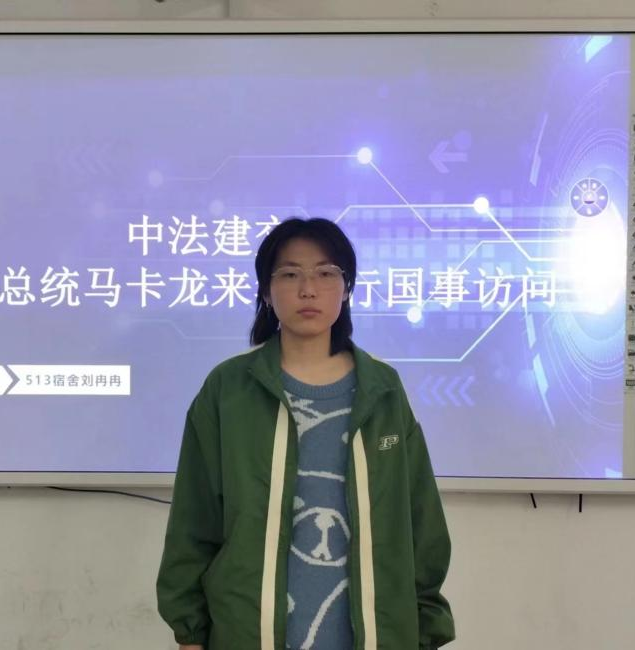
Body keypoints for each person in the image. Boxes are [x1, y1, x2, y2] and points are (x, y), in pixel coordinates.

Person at [157, 217, 455, 650]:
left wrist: (426, 629)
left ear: (347, 288)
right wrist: (189, 631)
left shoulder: (383, 389)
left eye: (326, 273)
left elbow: (421, 519)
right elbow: (194, 517)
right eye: (290, 274)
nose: (308, 289)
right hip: (248, 634)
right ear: (266, 291)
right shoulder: (229, 390)